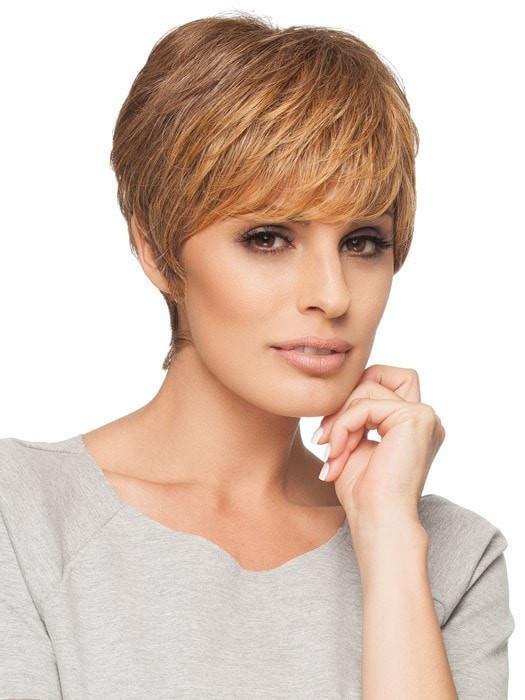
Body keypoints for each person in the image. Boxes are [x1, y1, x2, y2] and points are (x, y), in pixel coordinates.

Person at [0, 11, 514, 699]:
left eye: (362, 242)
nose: (332, 294)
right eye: (268, 238)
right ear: (156, 251)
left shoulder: (452, 557)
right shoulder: (22, 517)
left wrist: (389, 540)